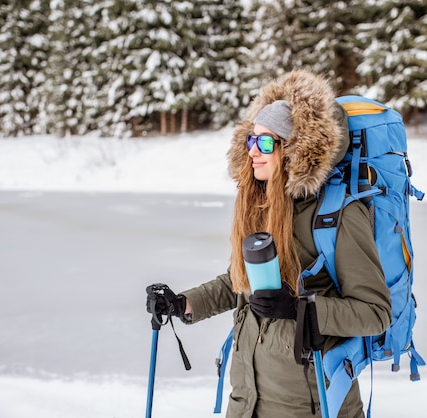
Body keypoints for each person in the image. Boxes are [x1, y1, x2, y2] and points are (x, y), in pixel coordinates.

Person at [146, 69, 392, 418]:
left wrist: (298, 309)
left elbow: (375, 313)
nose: (253, 153)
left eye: (265, 142)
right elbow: (240, 283)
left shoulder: (339, 215)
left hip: (312, 405)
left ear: (292, 149)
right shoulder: (263, 207)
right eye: (251, 140)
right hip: (248, 401)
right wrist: (183, 303)